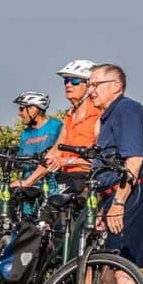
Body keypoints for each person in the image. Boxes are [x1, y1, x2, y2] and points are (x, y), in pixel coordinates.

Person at [88, 64, 143, 284]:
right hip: (112, 196)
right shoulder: (109, 115)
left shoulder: (126, 109)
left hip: (129, 195)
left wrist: (118, 201)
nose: (90, 90)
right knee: (112, 266)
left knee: (125, 267)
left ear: (115, 85)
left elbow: (135, 160)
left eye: (95, 84)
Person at [45, 59, 101, 194]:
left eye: (74, 81)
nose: (68, 85)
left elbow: (100, 158)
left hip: (89, 179)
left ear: (89, 85)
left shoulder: (98, 113)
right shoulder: (70, 115)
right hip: (66, 179)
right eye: (66, 81)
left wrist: (66, 161)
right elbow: (57, 148)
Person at [11, 91, 62, 194]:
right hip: (28, 188)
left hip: (51, 187)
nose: (19, 113)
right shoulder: (25, 133)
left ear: (33, 109)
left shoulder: (56, 126)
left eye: (22, 109)